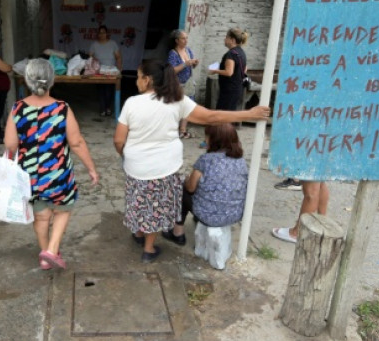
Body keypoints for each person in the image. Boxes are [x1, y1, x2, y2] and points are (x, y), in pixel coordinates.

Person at [114, 59, 269, 263]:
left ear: (148, 79)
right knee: (157, 205)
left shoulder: (131, 103)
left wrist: (127, 155)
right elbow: (212, 117)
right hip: (165, 167)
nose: (136, 82)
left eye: (138, 77)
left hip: (136, 166)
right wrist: (248, 114)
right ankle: (149, 249)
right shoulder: (178, 101)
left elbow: (118, 139)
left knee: (140, 200)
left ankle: (140, 235)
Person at [4, 59, 99, 270]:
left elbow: (10, 144)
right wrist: (91, 168)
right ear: (52, 80)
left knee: (41, 215)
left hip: (29, 175)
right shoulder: (61, 108)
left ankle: (45, 256)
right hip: (58, 173)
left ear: (27, 80)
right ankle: (51, 250)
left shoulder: (17, 109)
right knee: (62, 210)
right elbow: (76, 142)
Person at [163, 123, 247, 246]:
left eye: (207, 137)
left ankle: (177, 233)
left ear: (214, 140)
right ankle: (197, 218)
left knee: (180, 187)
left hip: (209, 216)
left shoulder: (206, 160)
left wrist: (186, 180)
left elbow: (191, 188)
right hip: (234, 215)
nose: (205, 139)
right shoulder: (241, 161)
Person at [167, 29, 200, 139]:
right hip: (177, 85)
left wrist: (194, 63)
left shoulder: (188, 51)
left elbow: (191, 66)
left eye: (186, 38)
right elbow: (172, 70)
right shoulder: (173, 53)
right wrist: (186, 64)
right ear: (177, 40)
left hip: (188, 84)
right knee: (176, 107)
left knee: (187, 107)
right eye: (183, 38)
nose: (186, 40)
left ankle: (182, 130)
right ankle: (171, 130)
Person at [208, 27, 249, 111]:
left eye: (226, 37)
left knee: (222, 114)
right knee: (229, 113)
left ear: (232, 40)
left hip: (229, 90)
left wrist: (215, 71)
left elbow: (229, 72)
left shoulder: (231, 54)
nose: (224, 39)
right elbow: (245, 69)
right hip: (237, 88)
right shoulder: (241, 52)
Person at [90, 25, 121, 117]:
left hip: (111, 71)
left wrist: (119, 70)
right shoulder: (94, 45)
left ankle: (108, 108)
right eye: (100, 33)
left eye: (103, 32)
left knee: (109, 90)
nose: (101, 34)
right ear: (98, 34)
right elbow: (90, 57)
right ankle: (102, 109)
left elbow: (118, 57)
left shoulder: (113, 44)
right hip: (98, 71)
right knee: (101, 90)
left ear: (107, 34)